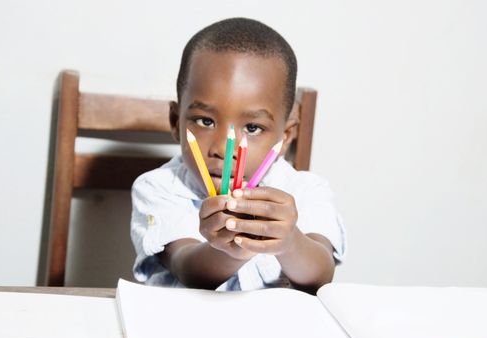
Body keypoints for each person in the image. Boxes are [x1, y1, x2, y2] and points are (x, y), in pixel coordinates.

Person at [131, 17, 345, 294]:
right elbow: (187, 269)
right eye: (205, 121)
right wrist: (229, 252)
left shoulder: (306, 191)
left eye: (253, 127)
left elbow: (321, 275)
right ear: (175, 122)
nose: (223, 148)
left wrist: (290, 242)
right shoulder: (159, 188)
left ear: (286, 137)